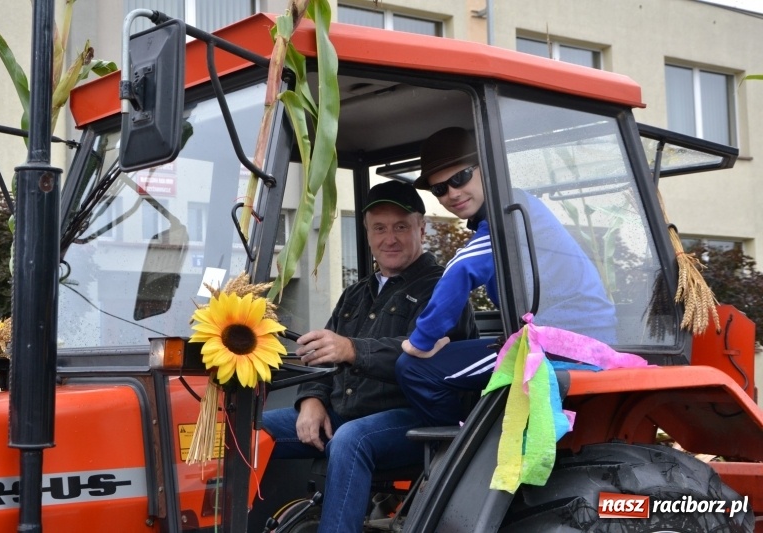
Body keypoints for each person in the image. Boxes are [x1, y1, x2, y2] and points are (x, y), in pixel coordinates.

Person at [262, 180, 478, 533]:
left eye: (400, 227)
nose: (389, 238)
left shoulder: (443, 288)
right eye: (379, 228)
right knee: (248, 429)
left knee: (351, 439)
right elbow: (323, 355)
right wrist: (311, 401)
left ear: (421, 228)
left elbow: (425, 356)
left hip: (419, 420)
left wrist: (352, 349)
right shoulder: (356, 293)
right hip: (345, 413)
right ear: (367, 234)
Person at [396, 127, 616, 427]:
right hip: (553, 338)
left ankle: (456, 451)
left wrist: (421, 340)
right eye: (440, 189)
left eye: (460, 178)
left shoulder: (508, 213)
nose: (452, 193)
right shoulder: (510, 209)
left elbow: (460, 271)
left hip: (570, 345)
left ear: (486, 168)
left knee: (414, 368)